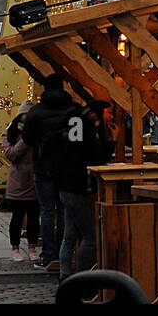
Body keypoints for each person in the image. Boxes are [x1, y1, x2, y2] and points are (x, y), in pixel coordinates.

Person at [22, 73, 74, 272]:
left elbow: (27, 138)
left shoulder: (36, 112)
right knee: (63, 210)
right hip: (66, 166)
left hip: (43, 165)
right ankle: (64, 252)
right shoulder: (72, 110)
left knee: (46, 210)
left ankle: (48, 254)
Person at [56, 101, 108, 281]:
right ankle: (81, 277)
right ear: (95, 114)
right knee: (90, 236)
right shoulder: (86, 129)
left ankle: (65, 275)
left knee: (69, 235)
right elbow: (97, 158)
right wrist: (111, 140)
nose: (108, 116)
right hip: (77, 186)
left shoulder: (71, 124)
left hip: (64, 184)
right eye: (106, 113)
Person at [2, 101, 40, 261]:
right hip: (17, 181)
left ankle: (32, 247)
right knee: (17, 217)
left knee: (33, 216)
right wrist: (25, 140)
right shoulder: (9, 133)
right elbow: (10, 154)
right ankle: (15, 248)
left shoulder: (38, 132)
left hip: (34, 180)